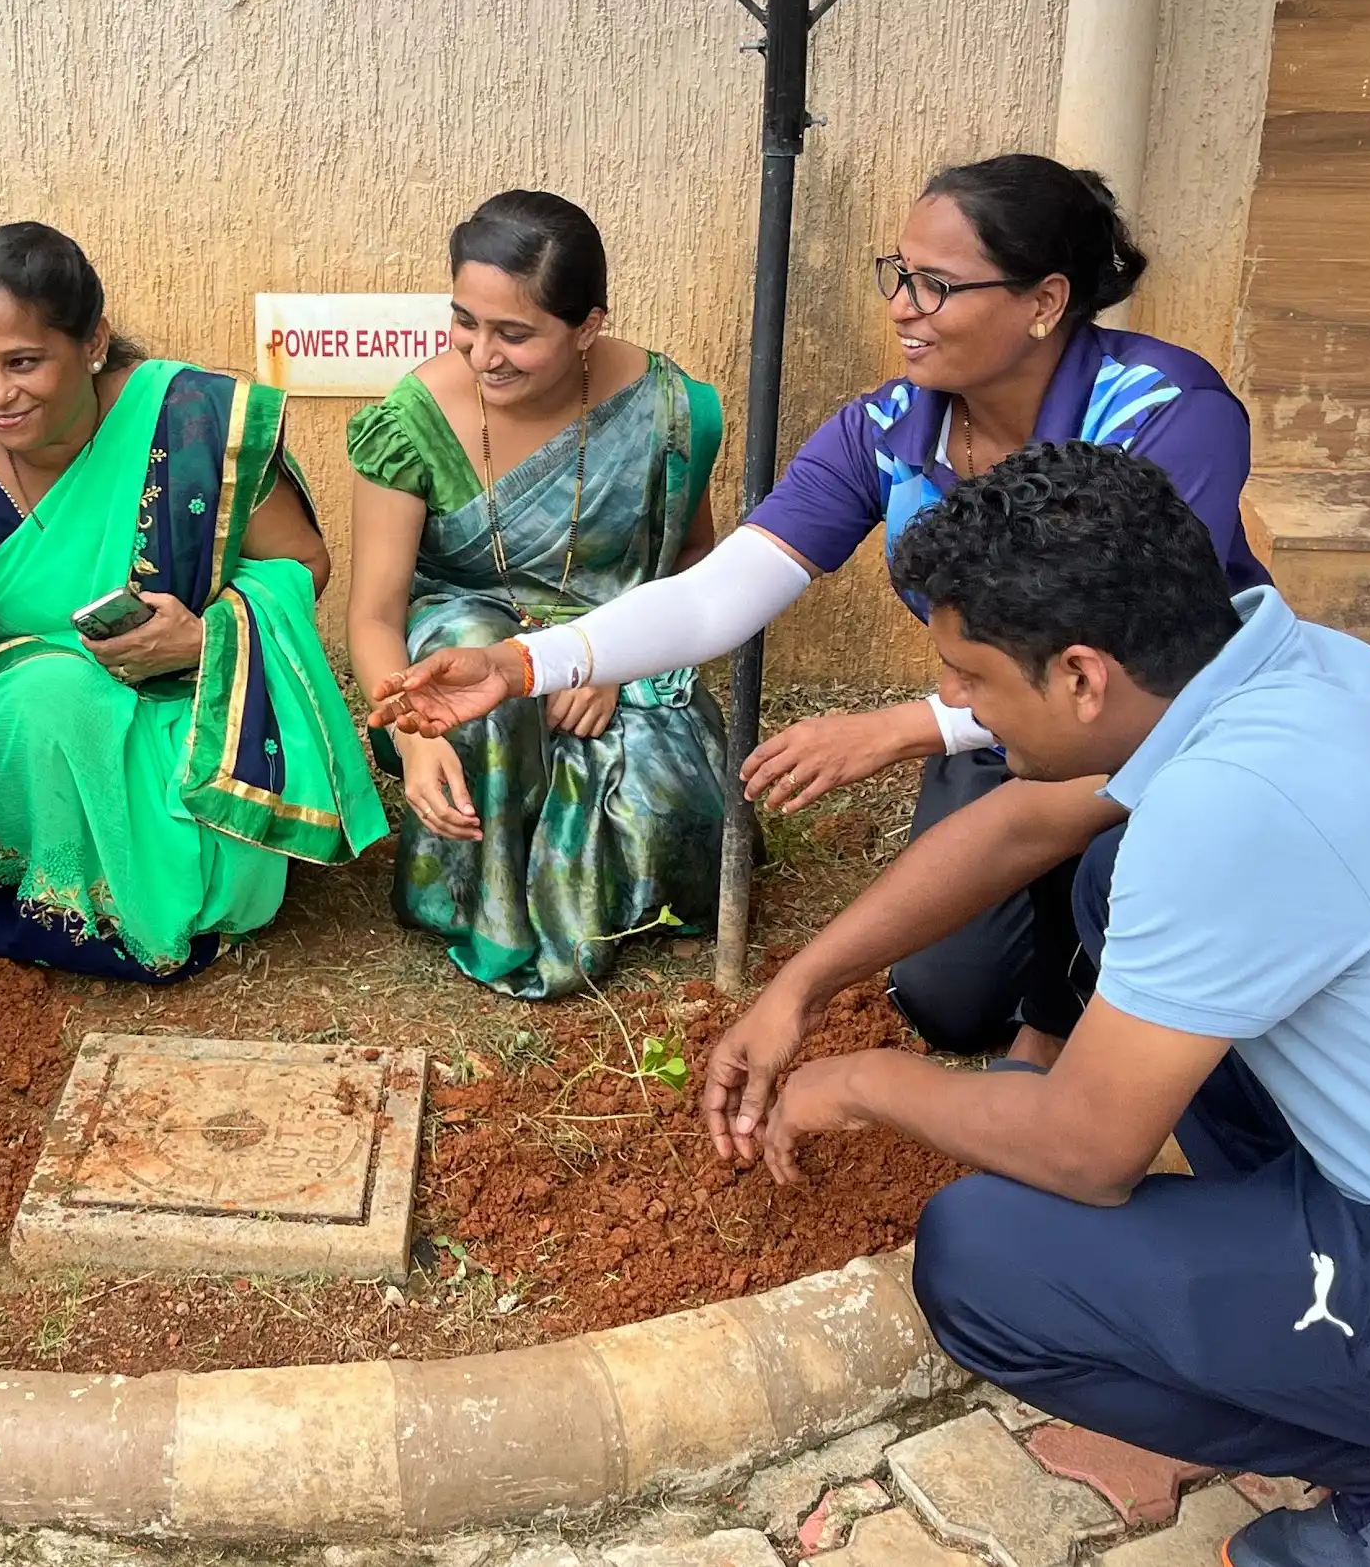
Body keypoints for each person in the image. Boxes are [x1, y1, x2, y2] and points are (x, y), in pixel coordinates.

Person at [712, 441, 1370, 1567]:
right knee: (1109, 876)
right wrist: (800, 986)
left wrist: (862, 1083)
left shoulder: (1228, 808)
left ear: (1078, 675)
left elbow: (1084, 1153)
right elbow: (1023, 826)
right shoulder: (1295, 667)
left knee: (988, 1261)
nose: (954, 708)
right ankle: (1321, 1332)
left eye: (971, 678)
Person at [375, 155, 1266, 1064]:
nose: (901, 306)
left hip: (1177, 728)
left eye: (937, 285)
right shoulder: (887, 430)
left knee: (1122, 893)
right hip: (1003, 724)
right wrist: (521, 664)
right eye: (898, 273)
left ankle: (1084, 1021)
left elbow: (1124, 663)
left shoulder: (1163, 411)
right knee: (947, 1001)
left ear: (1044, 302)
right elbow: (719, 591)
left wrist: (900, 729)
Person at [0, 221, 388, 981]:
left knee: (203, 835)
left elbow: (304, 561)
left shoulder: (189, 420)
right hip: (47, 740)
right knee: (53, 694)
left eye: (23, 362)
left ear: (93, 341)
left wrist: (207, 638)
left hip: (191, 708)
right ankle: (69, 893)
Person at [345, 190, 724, 998]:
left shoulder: (668, 412)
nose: (484, 354)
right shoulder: (412, 421)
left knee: (674, 814)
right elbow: (373, 615)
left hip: (614, 652)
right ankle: (489, 913)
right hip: (459, 669)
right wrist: (412, 736)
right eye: (466, 322)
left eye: (516, 333)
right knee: (467, 658)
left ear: (587, 326)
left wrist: (615, 659)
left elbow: (693, 565)